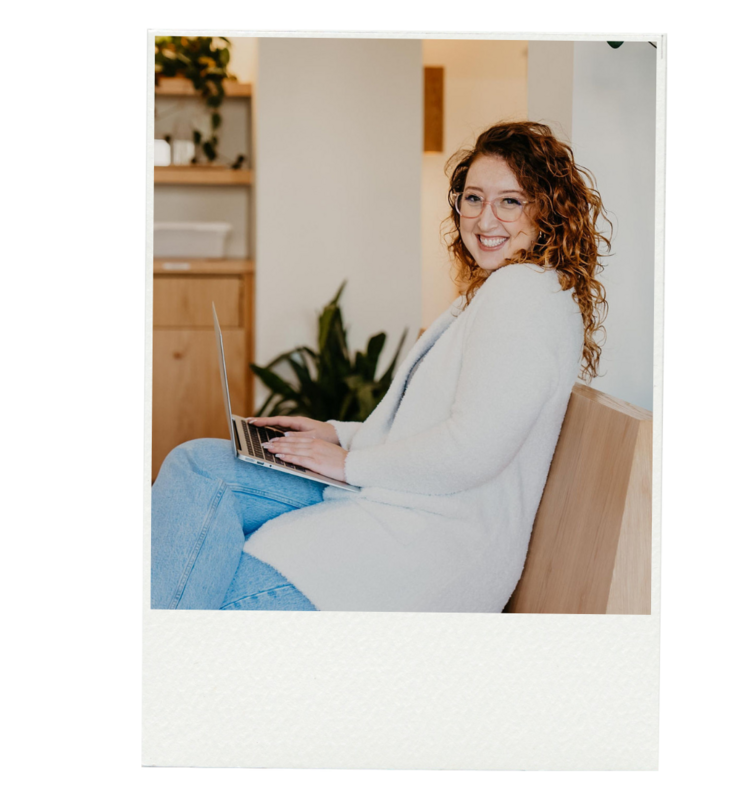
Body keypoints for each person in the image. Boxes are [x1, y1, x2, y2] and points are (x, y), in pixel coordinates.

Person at [151, 121, 610, 612]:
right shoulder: (504, 291)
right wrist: (337, 435)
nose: (484, 219)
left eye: (510, 201)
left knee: (207, 578)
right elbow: (438, 423)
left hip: (430, 547)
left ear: (548, 209)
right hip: (408, 507)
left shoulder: (522, 295)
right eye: (473, 198)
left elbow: (474, 449)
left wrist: (351, 463)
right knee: (197, 465)